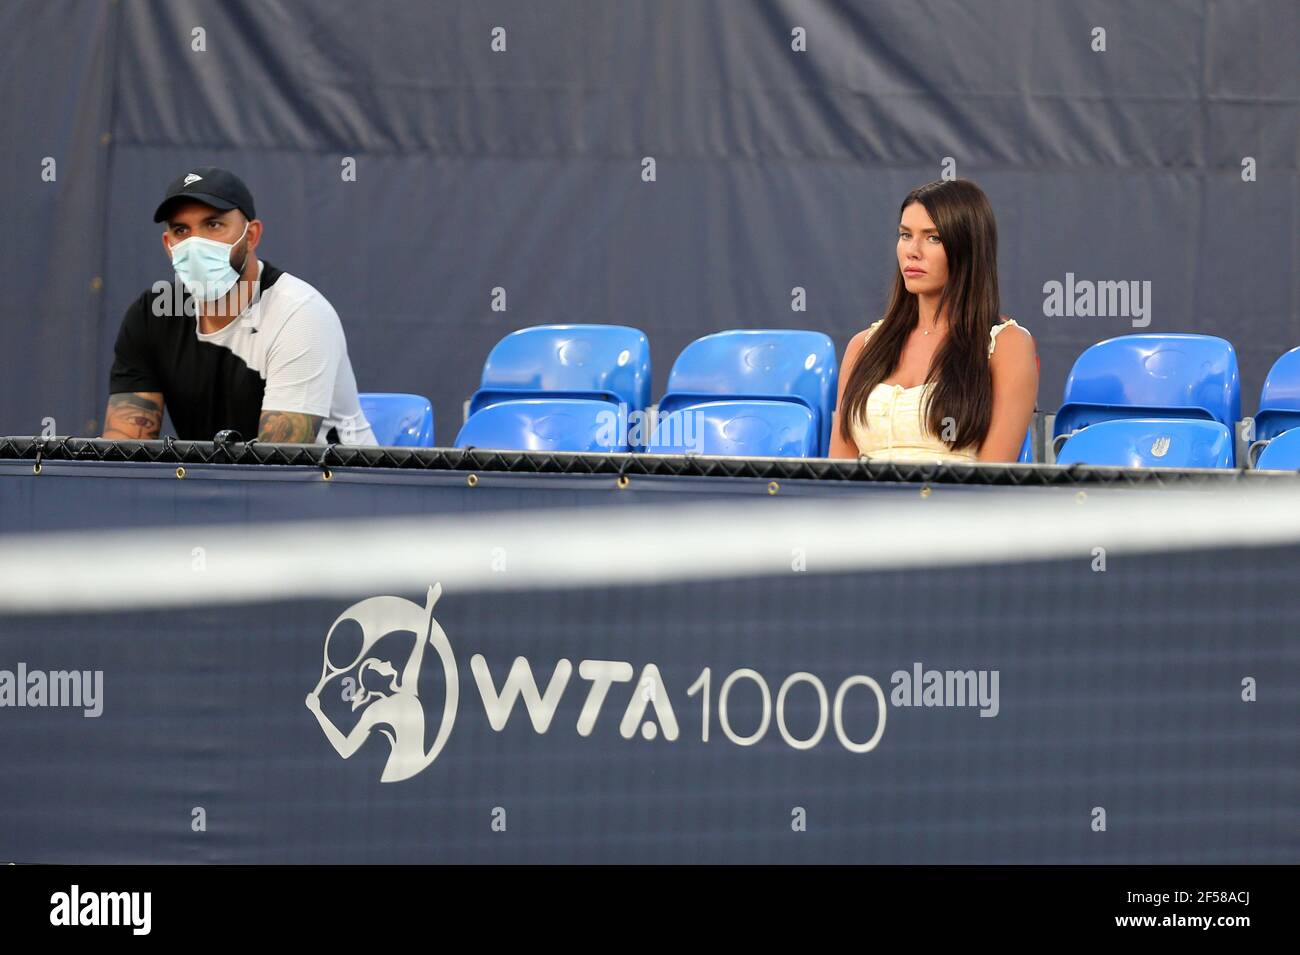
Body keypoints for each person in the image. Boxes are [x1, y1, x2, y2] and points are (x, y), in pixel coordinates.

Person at [102, 167, 376, 445]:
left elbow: (280, 467)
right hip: (217, 483)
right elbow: (123, 454)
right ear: (168, 245)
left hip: (335, 484)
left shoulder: (300, 314)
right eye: (181, 230)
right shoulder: (151, 316)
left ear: (251, 235)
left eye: (213, 225)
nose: (195, 244)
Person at [828, 179, 1037, 462]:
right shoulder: (862, 346)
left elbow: (991, 482)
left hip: (954, 505)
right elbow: (837, 477)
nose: (912, 251)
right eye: (905, 235)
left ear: (967, 249)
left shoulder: (1007, 345)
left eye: (933, 238)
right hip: (866, 505)